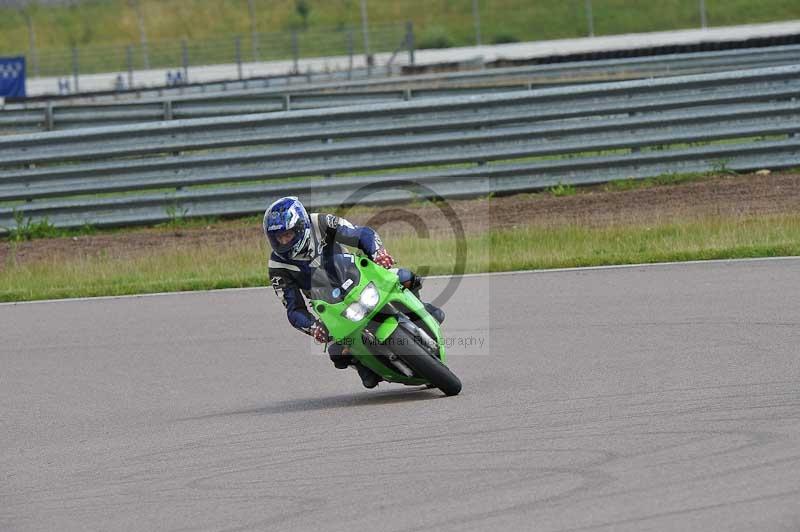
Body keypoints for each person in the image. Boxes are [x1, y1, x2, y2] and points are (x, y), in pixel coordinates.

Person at [264, 196, 444, 389]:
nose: (283, 242)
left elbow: (360, 234)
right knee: (338, 353)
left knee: (405, 277)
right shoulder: (277, 266)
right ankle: (362, 364)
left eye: (288, 235)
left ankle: (419, 309)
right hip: (332, 307)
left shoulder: (321, 223)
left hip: (358, 277)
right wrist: (313, 327)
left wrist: (378, 253)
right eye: (278, 238)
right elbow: (293, 309)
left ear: (300, 226)